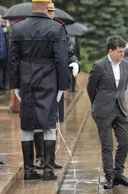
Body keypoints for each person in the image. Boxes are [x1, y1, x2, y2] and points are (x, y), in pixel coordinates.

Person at [9, 0, 69, 181]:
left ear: (32, 6)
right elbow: (61, 59)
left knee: (27, 124)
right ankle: (48, 170)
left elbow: (13, 60)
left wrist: (15, 85)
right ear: (47, 7)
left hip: (26, 77)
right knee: (49, 123)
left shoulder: (18, 28)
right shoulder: (56, 28)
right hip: (48, 78)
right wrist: (62, 85)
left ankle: (29, 170)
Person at [33, 1, 80, 170]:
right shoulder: (35, 28)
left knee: (54, 121)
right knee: (38, 120)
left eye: (52, 12)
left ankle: (50, 157)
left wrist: (74, 61)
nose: (50, 14)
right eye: (48, 11)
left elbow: (67, 51)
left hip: (55, 81)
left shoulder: (60, 28)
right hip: (39, 80)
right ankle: (39, 157)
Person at [87, 35, 128, 189]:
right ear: (110, 51)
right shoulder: (99, 65)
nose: (122, 54)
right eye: (120, 51)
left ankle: (118, 173)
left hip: (120, 109)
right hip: (103, 110)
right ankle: (109, 177)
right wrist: (97, 104)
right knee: (107, 145)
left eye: (124, 51)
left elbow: (123, 87)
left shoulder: (126, 65)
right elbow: (91, 88)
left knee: (125, 142)